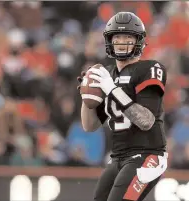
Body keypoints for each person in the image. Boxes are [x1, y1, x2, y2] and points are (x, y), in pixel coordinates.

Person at [77, 12, 168, 201]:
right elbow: (90, 126)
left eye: (128, 37)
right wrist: (87, 99)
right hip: (118, 157)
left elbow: (146, 121)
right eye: (117, 37)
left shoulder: (149, 68)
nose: (122, 42)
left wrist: (112, 89)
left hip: (147, 155)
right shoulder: (107, 73)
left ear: (139, 41)